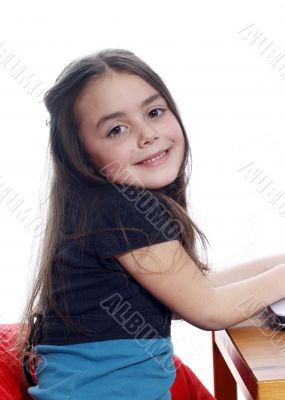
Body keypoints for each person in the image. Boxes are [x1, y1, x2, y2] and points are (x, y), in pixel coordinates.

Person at [15, 48, 285, 399]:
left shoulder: (100, 207)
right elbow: (208, 309)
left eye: (155, 112)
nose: (147, 135)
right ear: (80, 155)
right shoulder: (120, 211)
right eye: (116, 129)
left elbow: (191, 288)